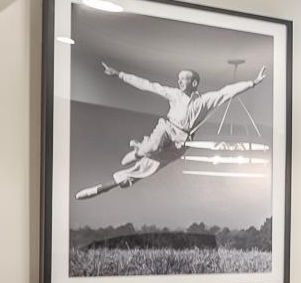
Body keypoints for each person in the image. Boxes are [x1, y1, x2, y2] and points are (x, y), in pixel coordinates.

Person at [74, 62, 267, 200]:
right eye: (179, 78)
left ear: (194, 83)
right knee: (153, 146)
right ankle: (140, 150)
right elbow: (148, 86)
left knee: (145, 169)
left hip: (181, 142)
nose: (180, 81)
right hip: (166, 128)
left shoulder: (204, 101)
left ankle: (101, 189)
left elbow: (227, 91)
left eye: (185, 79)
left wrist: (254, 82)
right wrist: (119, 74)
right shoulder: (174, 94)